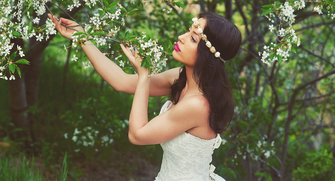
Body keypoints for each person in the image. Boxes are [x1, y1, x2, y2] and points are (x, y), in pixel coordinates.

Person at [48, 12, 242, 180]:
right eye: (188, 31)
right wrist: (82, 37)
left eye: (193, 38)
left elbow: (137, 135)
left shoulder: (198, 105)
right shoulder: (179, 77)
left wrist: (143, 76)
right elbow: (121, 81)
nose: (181, 37)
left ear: (208, 54)